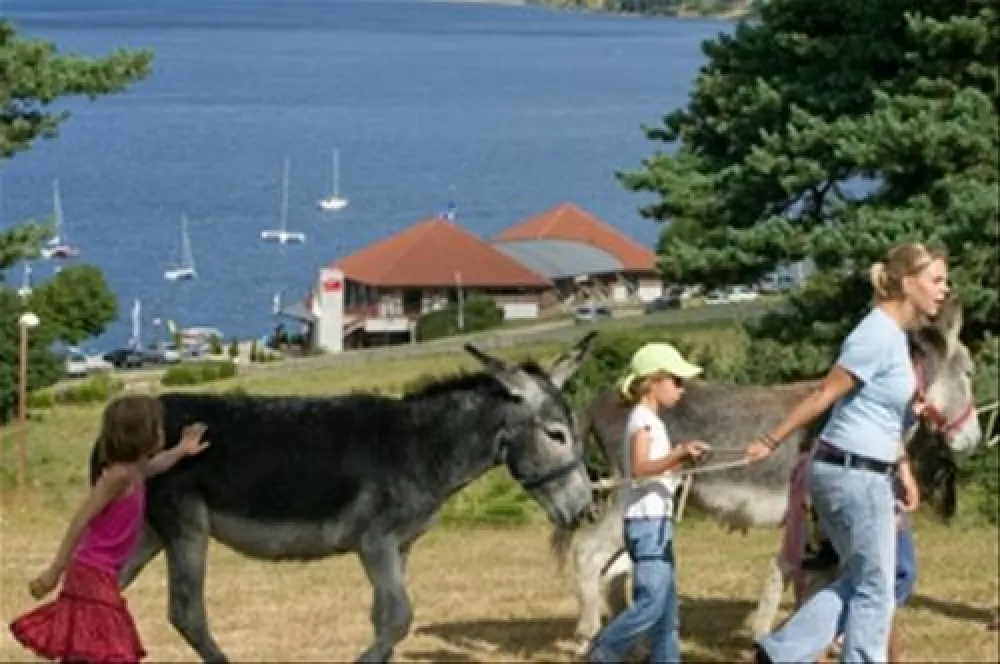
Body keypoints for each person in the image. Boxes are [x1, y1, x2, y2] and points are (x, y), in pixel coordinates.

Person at [745, 242, 949, 663]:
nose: (944, 290)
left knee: (863, 580)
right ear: (908, 283)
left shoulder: (893, 337)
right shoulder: (875, 335)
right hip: (855, 474)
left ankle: (780, 652)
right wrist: (771, 440)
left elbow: (877, 413)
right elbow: (825, 393)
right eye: (937, 280)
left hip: (862, 471)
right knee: (877, 587)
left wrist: (905, 455)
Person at [9, 394, 211, 663]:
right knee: (111, 647)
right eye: (157, 427)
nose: (162, 432)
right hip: (91, 572)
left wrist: (182, 450)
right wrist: (54, 571)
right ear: (141, 434)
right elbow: (81, 518)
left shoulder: (135, 470)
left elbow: (156, 465)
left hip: (102, 572)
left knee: (89, 649)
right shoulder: (117, 477)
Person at [587, 342, 710, 663]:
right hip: (647, 524)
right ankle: (603, 652)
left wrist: (681, 459)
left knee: (667, 614)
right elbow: (641, 470)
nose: (681, 389)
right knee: (652, 604)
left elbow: (658, 470)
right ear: (653, 382)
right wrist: (678, 454)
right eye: (676, 381)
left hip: (657, 522)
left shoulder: (650, 420)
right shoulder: (642, 421)